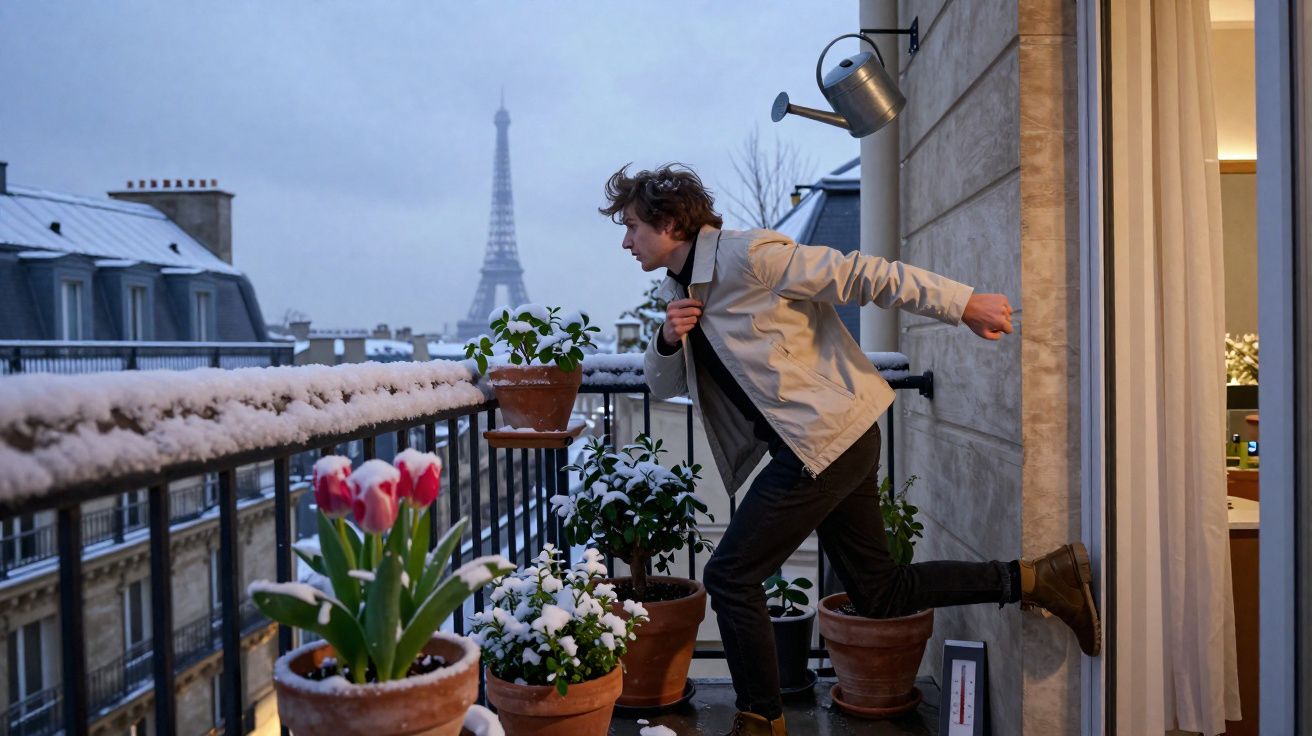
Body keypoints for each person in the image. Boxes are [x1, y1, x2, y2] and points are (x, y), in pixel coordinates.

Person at [599, 163, 1100, 736]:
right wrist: (667, 338)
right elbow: (664, 386)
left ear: (667, 223)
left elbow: (863, 275)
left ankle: (761, 718)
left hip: (825, 440)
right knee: (880, 591)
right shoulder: (680, 290)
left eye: (633, 225)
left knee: (731, 575)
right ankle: (1039, 578)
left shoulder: (750, 256)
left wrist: (960, 303)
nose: (626, 240)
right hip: (824, 443)